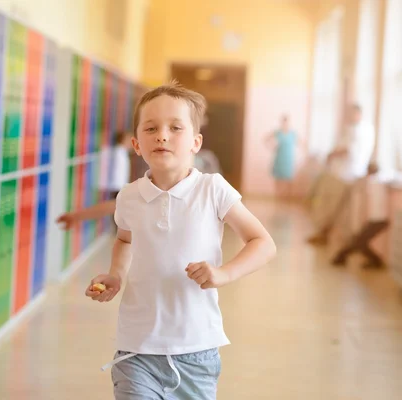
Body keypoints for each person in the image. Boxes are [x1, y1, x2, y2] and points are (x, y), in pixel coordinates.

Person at [84, 81, 277, 399]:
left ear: (196, 142)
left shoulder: (213, 189)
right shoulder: (129, 196)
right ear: (136, 144)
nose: (162, 135)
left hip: (196, 351)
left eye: (175, 127)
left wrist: (223, 274)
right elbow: (125, 240)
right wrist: (116, 275)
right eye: (151, 128)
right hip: (136, 349)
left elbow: (262, 242)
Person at [307, 103, 376, 245]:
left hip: (346, 175)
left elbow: (348, 151)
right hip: (343, 174)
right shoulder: (353, 129)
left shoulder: (361, 130)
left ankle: (327, 235)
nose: (349, 116)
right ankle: (323, 234)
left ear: (358, 113)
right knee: (331, 207)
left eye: (351, 113)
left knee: (333, 208)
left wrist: (332, 154)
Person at [265, 115, 300, 199]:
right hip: (279, 158)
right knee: (278, 178)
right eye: (284, 122)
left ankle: (287, 197)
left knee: (288, 179)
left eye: (287, 122)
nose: (285, 124)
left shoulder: (293, 133)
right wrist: (272, 147)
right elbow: (266, 139)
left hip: (288, 158)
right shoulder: (278, 132)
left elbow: (301, 143)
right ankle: (277, 196)